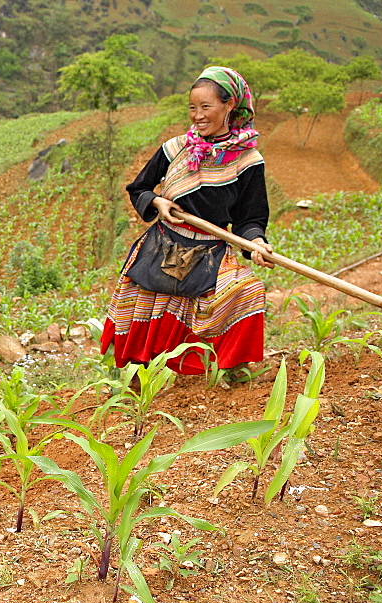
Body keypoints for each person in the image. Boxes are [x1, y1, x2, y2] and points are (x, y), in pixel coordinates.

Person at [100, 66, 274, 377]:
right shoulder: (175, 149)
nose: (198, 115)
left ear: (229, 105)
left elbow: (250, 218)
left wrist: (256, 243)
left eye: (206, 107)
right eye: (193, 108)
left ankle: (223, 369)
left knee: (249, 290)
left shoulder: (248, 161)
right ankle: (143, 373)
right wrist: (157, 201)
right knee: (149, 300)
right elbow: (138, 188)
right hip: (164, 245)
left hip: (210, 250)